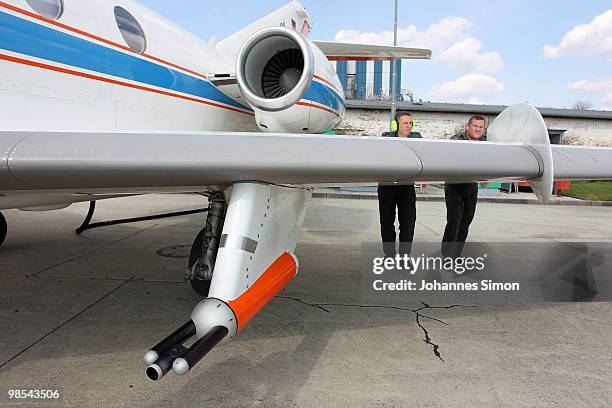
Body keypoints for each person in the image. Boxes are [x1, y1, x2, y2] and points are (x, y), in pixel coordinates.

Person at [441, 115, 487, 258]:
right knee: (454, 220)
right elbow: (455, 161)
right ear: (468, 127)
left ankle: (457, 253)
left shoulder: (486, 143)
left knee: (466, 221)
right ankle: (447, 254)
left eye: (481, 127)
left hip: (472, 186)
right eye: (475, 126)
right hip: (455, 185)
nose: (478, 129)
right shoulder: (457, 140)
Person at [377, 111, 422, 257]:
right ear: (396, 124)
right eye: (405, 123)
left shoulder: (418, 138)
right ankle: (389, 255)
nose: (408, 126)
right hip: (387, 186)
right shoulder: (386, 138)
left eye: (410, 123)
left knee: (408, 224)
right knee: (387, 223)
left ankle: (404, 256)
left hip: (407, 187)